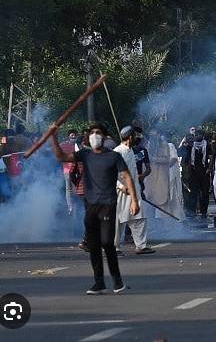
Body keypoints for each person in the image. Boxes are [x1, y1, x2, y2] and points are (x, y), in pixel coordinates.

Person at [51, 123, 139, 295]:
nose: (94, 135)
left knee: (107, 242)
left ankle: (117, 281)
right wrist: (53, 137)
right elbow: (61, 156)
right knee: (93, 245)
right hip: (91, 205)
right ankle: (99, 282)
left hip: (108, 204)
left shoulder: (113, 157)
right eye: (91, 133)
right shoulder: (85, 154)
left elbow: (127, 176)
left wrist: (134, 200)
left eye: (98, 133)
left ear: (105, 137)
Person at [114, 126, 154, 255]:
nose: (137, 138)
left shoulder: (131, 150)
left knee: (139, 217)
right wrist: (121, 186)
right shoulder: (117, 152)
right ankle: (114, 248)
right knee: (117, 220)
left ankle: (141, 246)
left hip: (134, 190)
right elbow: (111, 175)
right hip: (120, 192)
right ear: (130, 137)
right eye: (135, 136)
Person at [188, 129, 211, 221]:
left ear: (202, 135)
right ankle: (192, 212)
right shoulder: (191, 145)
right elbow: (187, 158)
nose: (198, 136)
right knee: (193, 193)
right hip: (194, 172)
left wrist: (209, 168)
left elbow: (210, 157)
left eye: (199, 134)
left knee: (204, 193)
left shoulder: (207, 145)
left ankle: (204, 212)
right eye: (196, 134)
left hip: (204, 172)